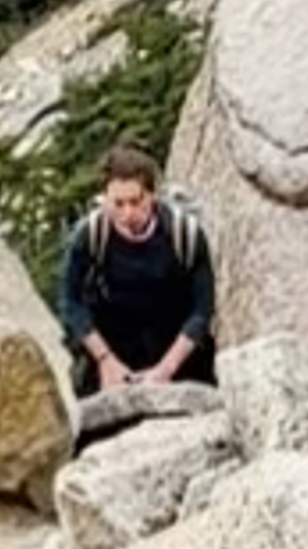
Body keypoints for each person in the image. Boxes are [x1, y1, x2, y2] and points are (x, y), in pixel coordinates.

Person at [58, 144, 218, 439]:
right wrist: (105, 361)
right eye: (118, 203)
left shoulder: (185, 234)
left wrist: (165, 370)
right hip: (112, 346)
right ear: (104, 198)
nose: (128, 213)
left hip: (174, 348)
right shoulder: (91, 236)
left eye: (136, 201)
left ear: (152, 195)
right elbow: (71, 302)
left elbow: (202, 309)